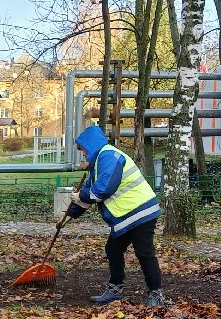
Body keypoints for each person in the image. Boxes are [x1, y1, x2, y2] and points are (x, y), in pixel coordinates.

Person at [66, 123, 166, 307]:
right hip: (126, 216)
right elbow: (90, 191)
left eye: (83, 151)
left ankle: (156, 296)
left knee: (144, 253)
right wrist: (70, 214)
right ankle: (115, 290)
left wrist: (79, 196)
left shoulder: (109, 157)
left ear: (90, 146)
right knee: (113, 249)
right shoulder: (98, 164)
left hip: (141, 212)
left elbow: (102, 190)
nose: (83, 155)